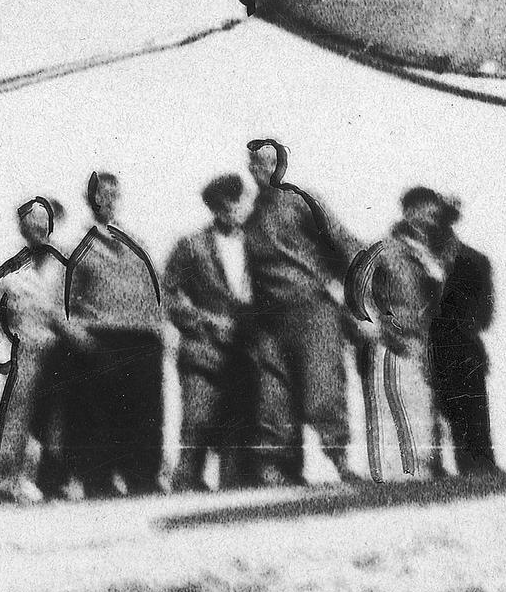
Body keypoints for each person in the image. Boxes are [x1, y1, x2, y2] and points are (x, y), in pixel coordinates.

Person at [242, 137, 367, 485]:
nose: (264, 170)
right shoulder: (250, 217)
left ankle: (341, 463)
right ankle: (275, 471)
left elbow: (343, 243)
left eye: (271, 163)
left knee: (322, 390)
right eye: (257, 164)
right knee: (273, 397)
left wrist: (359, 302)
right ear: (250, 169)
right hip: (269, 320)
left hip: (312, 309)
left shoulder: (301, 201)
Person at [59, 172, 167, 498]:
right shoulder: (77, 248)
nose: (106, 201)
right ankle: (98, 482)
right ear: (89, 200)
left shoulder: (136, 244)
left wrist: (160, 329)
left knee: (144, 411)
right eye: (100, 195)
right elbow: (62, 303)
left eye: (112, 194)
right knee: (99, 414)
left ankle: (143, 478)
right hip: (100, 339)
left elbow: (154, 290)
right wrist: (78, 335)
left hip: (141, 338)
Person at [161, 174, 257, 491]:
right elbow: (167, 294)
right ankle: (186, 483)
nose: (232, 210)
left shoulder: (256, 245)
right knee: (197, 419)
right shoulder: (191, 245)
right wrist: (202, 320)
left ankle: (233, 490)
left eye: (237, 203)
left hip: (244, 349)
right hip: (202, 348)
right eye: (224, 206)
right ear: (214, 208)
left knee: (238, 423)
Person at [350, 189, 452, 479]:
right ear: (408, 212)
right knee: (397, 409)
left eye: (433, 212)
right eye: (424, 211)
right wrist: (381, 331)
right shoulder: (384, 250)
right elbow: (359, 293)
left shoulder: (436, 251)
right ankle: (399, 475)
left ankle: (426, 470)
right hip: (396, 344)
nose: (430, 218)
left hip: (426, 342)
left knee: (428, 410)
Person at [0, 196, 73, 501]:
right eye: (32, 225)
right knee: (16, 416)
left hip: (61, 350)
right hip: (26, 351)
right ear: (22, 229)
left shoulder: (66, 267)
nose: (39, 230)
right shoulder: (10, 273)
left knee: (61, 416)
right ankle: (4, 480)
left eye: (44, 224)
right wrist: (10, 353)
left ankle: (55, 481)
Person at [429, 204, 500, 476]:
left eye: (441, 222)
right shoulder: (422, 259)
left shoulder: (475, 261)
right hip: (430, 349)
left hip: (463, 349)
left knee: (471, 415)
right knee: (434, 415)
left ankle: (479, 468)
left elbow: (485, 314)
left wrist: (460, 327)